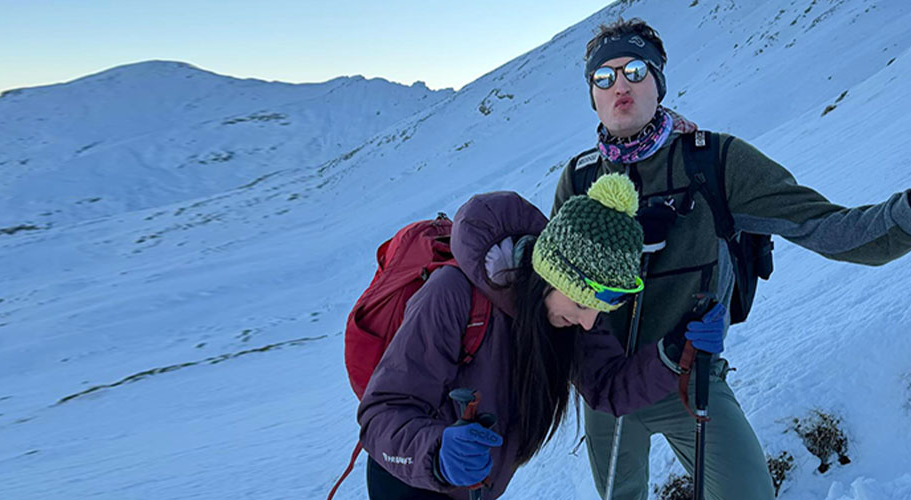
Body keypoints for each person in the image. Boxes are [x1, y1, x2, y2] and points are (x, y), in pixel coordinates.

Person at [554, 18, 911, 500]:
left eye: (635, 71)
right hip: (607, 390)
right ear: (592, 96)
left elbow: (825, 227)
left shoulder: (713, 163)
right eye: (604, 77)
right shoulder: (578, 180)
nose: (620, 86)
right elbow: (550, 293)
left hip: (689, 377)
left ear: (658, 83)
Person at [358, 174, 726, 500]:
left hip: (473, 486)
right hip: (412, 480)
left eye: (599, 309)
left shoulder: (567, 317)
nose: (588, 322)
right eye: (582, 304)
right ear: (552, 275)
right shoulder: (452, 294)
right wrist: (438, 453)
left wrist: (673, 352)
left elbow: (608, 386)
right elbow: (382, 413)